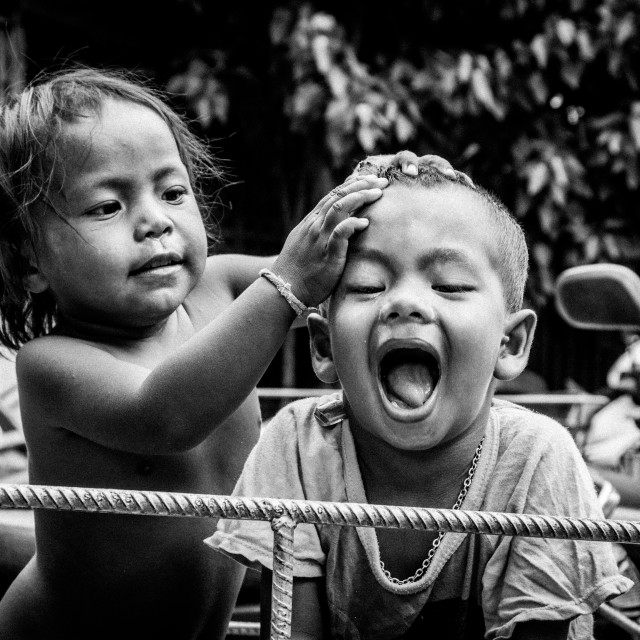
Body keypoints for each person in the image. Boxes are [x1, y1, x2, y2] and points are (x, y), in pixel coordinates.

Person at [0, 67, 429, 640]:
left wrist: (395, 196)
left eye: (172, 192)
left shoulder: (223, 288)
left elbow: (339, 268)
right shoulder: (52, 363)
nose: (155, 221)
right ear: (30, 262)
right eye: (106, 207)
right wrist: (285, 286)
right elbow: (167, 415)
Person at [208, 163, 633, 639]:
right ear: (324, 348)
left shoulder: (538, 459)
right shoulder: (296, 446)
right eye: (369, 285)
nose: (404, 303)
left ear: (509, 345)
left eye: (449, 285)